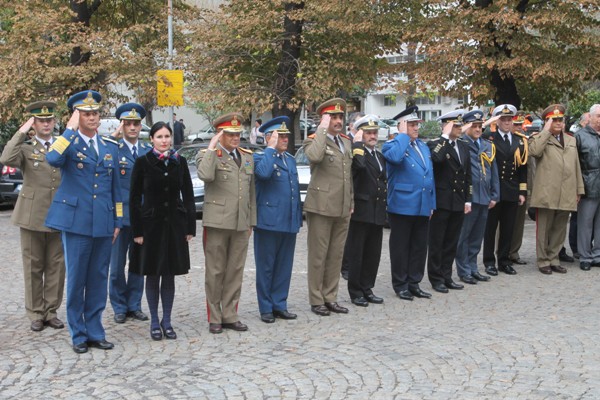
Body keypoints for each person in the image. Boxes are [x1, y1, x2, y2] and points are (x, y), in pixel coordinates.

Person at [45, 90, 122, 354]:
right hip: (76, 221)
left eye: (95, 113)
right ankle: (78, 334)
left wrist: (118, 220)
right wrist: (68, 131)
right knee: (77, 279)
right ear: (76, 116)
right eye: (85, 113)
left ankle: (95, 330)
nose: (92, 117)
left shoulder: (110, 146)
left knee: (98, 278)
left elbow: (117, 189)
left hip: (103, 220)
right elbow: (52, 159)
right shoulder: (68, 144)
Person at [0, 101, 65, 332]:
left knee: (57, 267)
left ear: (54, 122)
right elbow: (6, 158)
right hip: (31, 215)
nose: (46, 124)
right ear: (33, 124)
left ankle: (51, 311)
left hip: (59, 214)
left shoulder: (60, 146)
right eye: (41, 120)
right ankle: (36, 313)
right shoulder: (26, 148)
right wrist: (20, 132)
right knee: (33, 266)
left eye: (49, 120)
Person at [129, 122, 195, 340]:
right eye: (160, 136)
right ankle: (154, 322)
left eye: (167, 136)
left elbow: (188, 195)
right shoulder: (142, 162)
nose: (164, 140)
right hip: (151, 227)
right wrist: (137, 230)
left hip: (174, 226)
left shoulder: (180, 162)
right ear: (152, 140)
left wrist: (189, 226)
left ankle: (167, 321)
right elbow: (134, 199)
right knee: (153, 273)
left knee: (169, 275)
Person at [197, 112, 256, 333]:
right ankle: (215, 316)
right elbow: (205, 175)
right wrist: (212, 147)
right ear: (220, 134)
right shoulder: (208, 154)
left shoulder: (247, 156)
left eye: (237, 134)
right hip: (217, 223)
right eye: (229, 134)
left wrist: (251, 221)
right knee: (215, 271)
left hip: (241, 222)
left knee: (235, 270)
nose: (235, 138)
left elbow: (251, 192)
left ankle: (230, 314)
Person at [302, 98, 353, 316]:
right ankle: (316, 299)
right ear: (324, 118)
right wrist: (322, 129)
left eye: (340, 117)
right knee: (318, 255)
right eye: (333, 117)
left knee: (336, 254)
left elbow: (347, 175)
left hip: (341, 207)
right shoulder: (314, 140)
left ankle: (330, 296)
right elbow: (314, 156)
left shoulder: (346, 142)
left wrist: (350, 201)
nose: (338, 121)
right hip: (321, 207)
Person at [382, 106, 435, 301]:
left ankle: (414, 282)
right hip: (402, 205)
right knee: (401, 247)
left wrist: (432, 202)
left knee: (419, 246)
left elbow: (430, 176)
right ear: (401, 126)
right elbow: (395, 158)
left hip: (422, 203)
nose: (416, 128)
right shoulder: (392, 145)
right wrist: (402, 135)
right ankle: (400, 284)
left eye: (416, 124)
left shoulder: (422, 146)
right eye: (411, 124)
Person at [253, 117, 302, 323]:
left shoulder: (289, 159)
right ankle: (265, 307)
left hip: (288, 220)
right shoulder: (259, 157)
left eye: (285, 136)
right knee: (266, 266)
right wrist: (271, 149)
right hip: (268, 221)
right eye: (279, 136)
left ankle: (279, 304)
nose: (284, 139)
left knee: (284, 266)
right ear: (268, 138)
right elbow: (263, 174)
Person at [108, 103, 152, 324]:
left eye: (136, 123)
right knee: (116, 267)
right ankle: (118, 306)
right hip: (120, 217)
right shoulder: (114, 150)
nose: (132, 127)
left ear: (140, 125)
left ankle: (134, 304)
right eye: (128, 123)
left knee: (138, 264)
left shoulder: (147, 152)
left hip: (141, 218)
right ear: (122, 126)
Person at [529, 104, 584, 275]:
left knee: (560, 229)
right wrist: (545, 131)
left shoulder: (571, 139)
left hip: (567, 190)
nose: (559, 123)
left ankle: (554, 258)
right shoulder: (539, 138)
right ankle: (543, 260)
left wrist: (578, 190)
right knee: (544, 229)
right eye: (554, 120)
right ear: (547, 122)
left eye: (561, 120)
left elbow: (576, 166)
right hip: (547, 190)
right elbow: (534, 151)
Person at [342, 115, 387, 307]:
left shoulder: (379, 155)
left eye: (374, 133)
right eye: (368, 133)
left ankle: (368, 287)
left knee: (373, 253)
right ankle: (355, 291)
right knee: (357, 252)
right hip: (361, 210)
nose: (373, 136)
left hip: (377, 210)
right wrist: (358, 144)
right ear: (361, 134)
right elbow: (358, 167)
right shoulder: (356, 152)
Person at [427, 110, 472, 293]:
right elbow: (437, 159)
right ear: (446, 126)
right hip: (442, 201)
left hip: (458, 200)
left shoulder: (463, 146)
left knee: (451, 242)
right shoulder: (435, 144)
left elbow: (467, 175)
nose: (459, 129)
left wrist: (468, 199)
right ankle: (436, 278)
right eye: (455, 125)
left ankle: (447, 276)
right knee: (437, 242)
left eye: (460, 125)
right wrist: (445, 137)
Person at [481, 104, 528, 276]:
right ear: (498, 121)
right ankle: (488, 261)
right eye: (503, 119)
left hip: (511, 189)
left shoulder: (520, 140)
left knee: (508, 228)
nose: (507, 123)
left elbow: (523, 168)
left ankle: (504, 260)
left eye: (510, 119)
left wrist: (522, 192)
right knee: (490, 228)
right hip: (494, 190)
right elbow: (479, 132)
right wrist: (488, 122)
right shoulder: (489, 138)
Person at [455, 110, 499, 284]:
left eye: (480, 126)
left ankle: (473, 268)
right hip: (470, 196)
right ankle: (464, 270)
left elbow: (492, 171)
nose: (478, 129)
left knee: (476, 237)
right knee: (464, 236)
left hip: (484, 196)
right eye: (474, 125)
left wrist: (495, 194)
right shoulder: (462, 143)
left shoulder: (487, 145)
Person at [340, 110, 365, 280]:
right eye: (360, 126)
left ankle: (353, 264)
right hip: (348, 192)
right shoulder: (347, 142)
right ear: (351, 126)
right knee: (348, 234)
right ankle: (346, 266)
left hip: (361, 194)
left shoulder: (362, 143)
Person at [575, 104, 600, 271]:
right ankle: (585, 256)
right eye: (598, 116)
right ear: (589, 117)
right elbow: (575, 164)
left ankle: (598, 254)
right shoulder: (580, 136)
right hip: (588, 183)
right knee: (585, 223)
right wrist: (577, 187)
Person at [508, 112, 530, 265]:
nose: (518, 128)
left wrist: (522, 191)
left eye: (519, 125)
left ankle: (514, 252)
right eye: (515, 124)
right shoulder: (496, 140)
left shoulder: (523, 142)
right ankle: (502, 252)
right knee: (503, 225)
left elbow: (523, 168)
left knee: (518, 223)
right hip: (503, 187)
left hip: (517, 186)